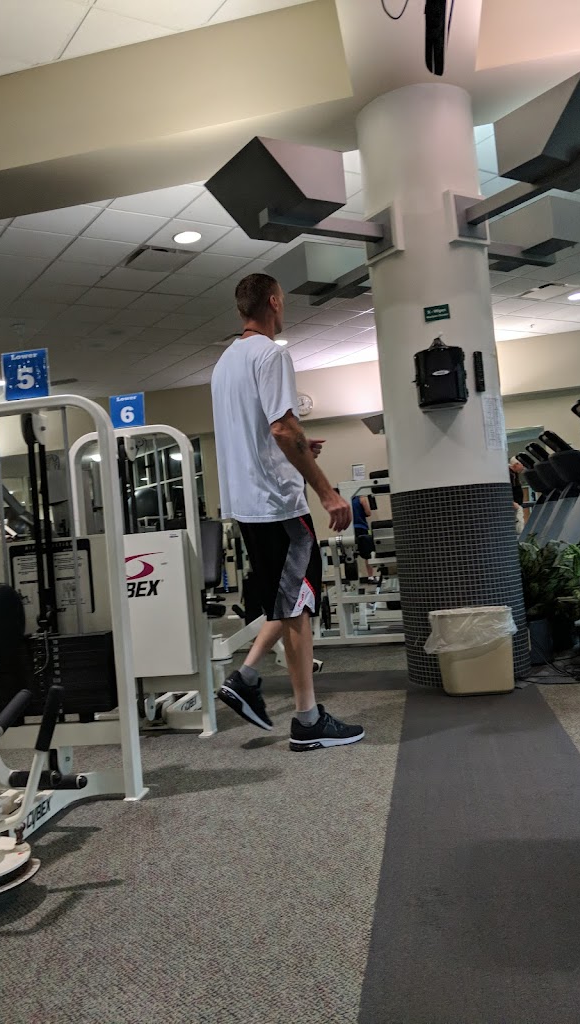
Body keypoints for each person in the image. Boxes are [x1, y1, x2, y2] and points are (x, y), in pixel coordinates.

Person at [210, 273, 365, 752]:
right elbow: (281, 429)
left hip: (248, 504)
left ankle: (255, 683)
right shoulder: (271, 354)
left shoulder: (225, 363)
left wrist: (296, 450)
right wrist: (327, 491)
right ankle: (300, 715)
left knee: (291, 598)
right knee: (298, 601)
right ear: (275, 302)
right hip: (277, 503)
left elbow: (262, 434)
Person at [352, 492, 377, 580]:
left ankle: (353, 578)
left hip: (350, 529)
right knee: (367, 553)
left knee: (351, 554)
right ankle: (370, 576)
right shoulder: (361, 498)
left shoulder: (346, 499)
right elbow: (368, 513)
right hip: (362, 528)